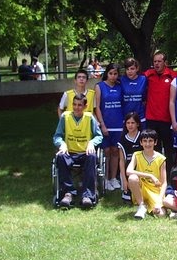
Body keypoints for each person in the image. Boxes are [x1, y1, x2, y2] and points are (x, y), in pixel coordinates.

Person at [53, 93, 103, 209]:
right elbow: (57, 136)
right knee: (60, 157)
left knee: (92, 157)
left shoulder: (90, 118)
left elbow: (99, 136)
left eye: (80, 105)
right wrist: (62, 144)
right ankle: (68, 193)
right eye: (74, 104)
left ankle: (87, 196)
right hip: (69, 152)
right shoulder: (65, 117)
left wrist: (92, 143)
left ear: (85, 106)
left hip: (85, 153)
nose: (77, 107)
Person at [144, 51, 177, 166]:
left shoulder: (173, 75)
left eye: (159, 61)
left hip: (166, 119)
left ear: (166, 62)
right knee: (154, 149)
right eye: (155, 61)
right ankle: (155, 174)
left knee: (169, 149)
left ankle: (169, 176)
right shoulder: (148, 74)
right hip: (151, 118)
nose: (157, 64)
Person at [95, 63, 124, 191]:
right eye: (111, 73)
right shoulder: (99, 86)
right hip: (106, 124)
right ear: (107, 73)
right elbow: (97, 108)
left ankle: (113, 178)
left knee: (115, 151)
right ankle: (105, 179)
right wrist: (102, 124)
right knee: (106, 151)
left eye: (115, 74)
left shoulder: (120, 87)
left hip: (118, 125)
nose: (113, 76)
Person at [126, 129, 167, 219]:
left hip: (155, 189)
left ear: (155, 142)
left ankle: (149, 205)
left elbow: (164, 183)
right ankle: (141, 205)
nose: (147, 144)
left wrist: (160, 199)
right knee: (132, 178)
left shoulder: (161, 158)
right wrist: (150, 175)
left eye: (150, 141)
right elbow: (128, 171)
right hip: (141, 187)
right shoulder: (136, 155)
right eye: (145, 141)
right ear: (141, 143)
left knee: (161, 215)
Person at [117, 112, 142, 203]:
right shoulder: (122, 139)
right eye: (128, 123)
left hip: (142, 170)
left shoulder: (143, 137)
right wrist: (124, 179)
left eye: (132, 123)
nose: (130, 125)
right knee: (128, 200)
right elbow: (122, 161)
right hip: (129, 172)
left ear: (137, 124)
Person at [120, 57, 147, 125]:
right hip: (126, 117)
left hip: (140, 116)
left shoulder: (143, 79)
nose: (129, 71)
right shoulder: (121, 80)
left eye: (132, 69)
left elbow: (145, 97)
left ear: (137, 69)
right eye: (127, 69)